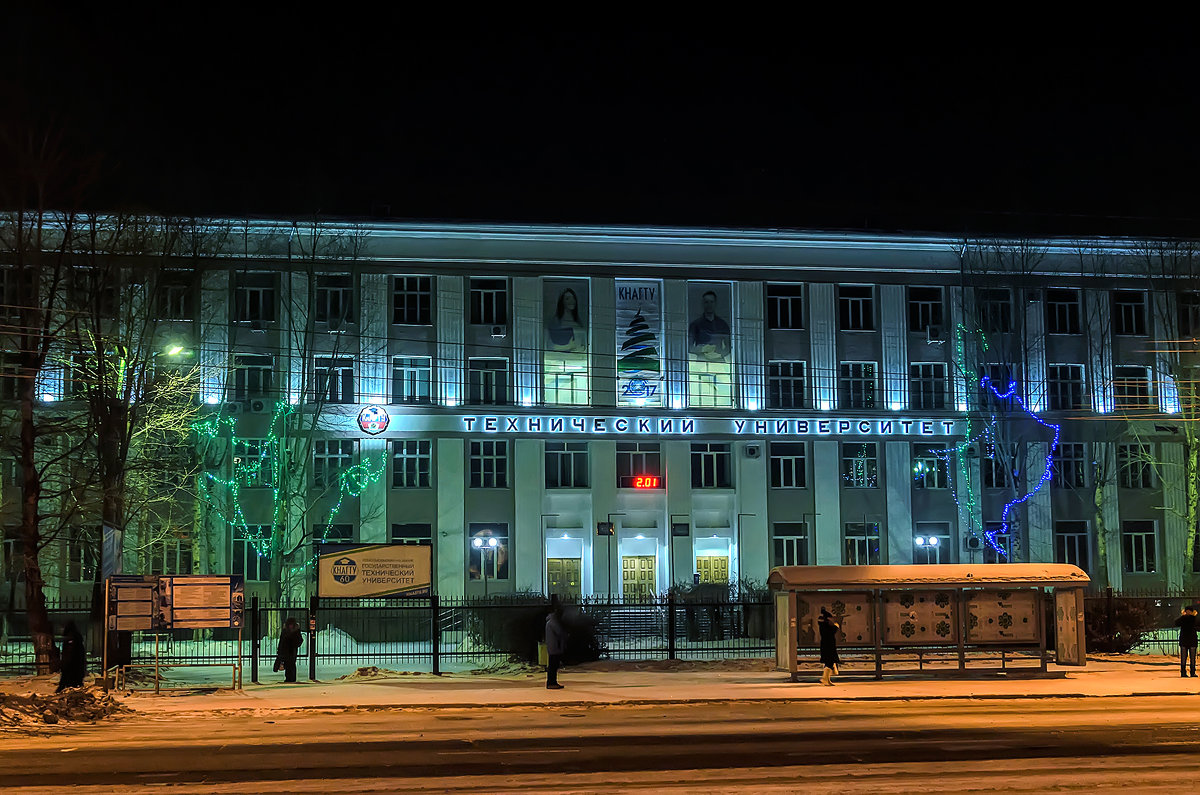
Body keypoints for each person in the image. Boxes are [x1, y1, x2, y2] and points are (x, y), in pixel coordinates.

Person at [687, 290, 731, 362]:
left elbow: (728, 348)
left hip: (718, 362)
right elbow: (689, 347)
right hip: (701, 363)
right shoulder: (695, 325)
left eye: (711, 302)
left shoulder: (723, 324)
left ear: (715, 303)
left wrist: (719, 354)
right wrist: (702, 349)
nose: (709, 305)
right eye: (706, 302)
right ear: (703, 304)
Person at [546, 288, 587, 353]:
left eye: (573, 298)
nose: (571, 301)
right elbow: (550, 346)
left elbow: (582, 347)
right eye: (567, 299)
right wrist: (570, 347)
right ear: (562, 302)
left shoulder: (578, 323)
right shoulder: (556, 321)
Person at [57, 621, 86, 692]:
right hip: (77, 667)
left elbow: (68, 654)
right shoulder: (77, 639)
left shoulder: (70, 639)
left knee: (69, 684)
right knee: (75, 685)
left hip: (71, 668)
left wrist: (63, 664)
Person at [545, 600, 567, 690]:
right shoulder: (553, 623)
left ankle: (551, 682)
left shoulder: (550, 622)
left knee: (552, 665)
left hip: (552, 646)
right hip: (554, 647)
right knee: (553, 666)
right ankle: (551, 682)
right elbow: (559, 632)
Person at [275, 617, 304, 683]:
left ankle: (292, 678)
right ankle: (288, 678)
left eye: (292, 624)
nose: (290, 626)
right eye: (289, 624)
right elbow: (281, 641)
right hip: (286, 650)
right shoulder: (285, 631)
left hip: (292, 650)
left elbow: (300, 640)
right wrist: (279, 650)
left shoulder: (296, 631)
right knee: (287, 664)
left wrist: (295, 644)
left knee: (292, 664)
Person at [818, 607, 840, 686]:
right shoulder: (826, 627)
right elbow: (831, 632)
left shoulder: (823, 625)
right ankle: (825, 679)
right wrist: (836, 626)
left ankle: (826, 679)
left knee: (829, 662)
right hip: (828, 647)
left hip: (826, 646)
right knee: (829, 663)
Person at [1175, 605, 1198, 678]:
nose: (1188, 612)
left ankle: (1192, 672)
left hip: (1192, 640)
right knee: (1183, 658)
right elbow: (1176, 623)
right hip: (1184, 641)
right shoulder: (1183, 619)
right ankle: (1183, 672)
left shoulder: (1195, 619)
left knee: (1192, 658)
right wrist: (1182, 617)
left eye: (1189, 611)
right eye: (1187, 611)